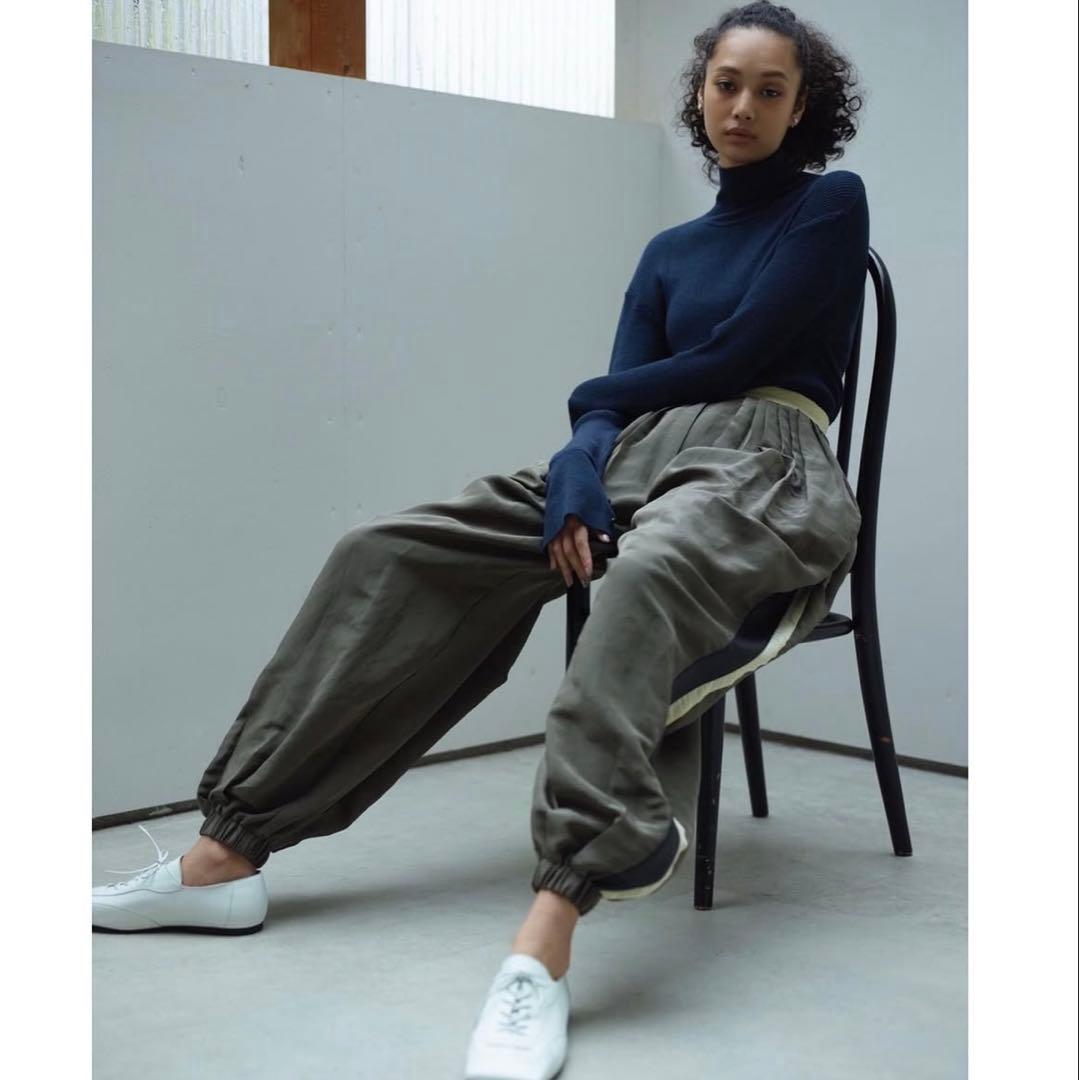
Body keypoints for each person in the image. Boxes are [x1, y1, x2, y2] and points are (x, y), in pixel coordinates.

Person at [92, 4, 870, 1078]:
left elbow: (741, 353)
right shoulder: (667, 251)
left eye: (769, 90)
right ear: (699, 94)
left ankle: (546, 938)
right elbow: (617, 401)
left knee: (643, 576)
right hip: (641, 455)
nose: (742, 106)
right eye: (725, 83)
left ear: (801, 106)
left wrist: (593, 403)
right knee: (385, 551)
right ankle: (227, 853)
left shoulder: (829, 203)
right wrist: (578, 459)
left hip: (767, 463)